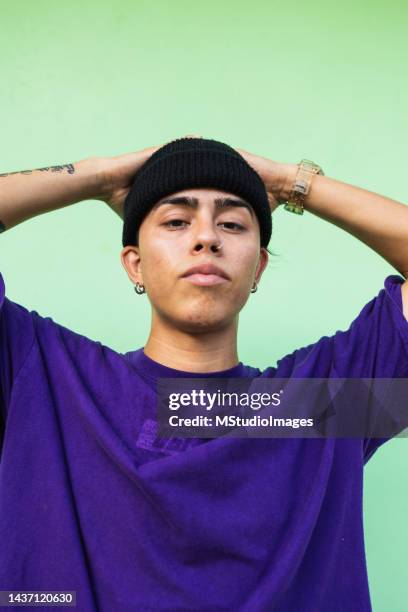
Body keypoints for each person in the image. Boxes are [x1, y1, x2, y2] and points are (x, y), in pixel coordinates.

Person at [0, 135, 407, 611]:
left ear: (258, 268)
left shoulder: (325, 405)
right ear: (135, 265)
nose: (206, 237)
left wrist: (290, 182)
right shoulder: (45, 378)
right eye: (176, 220)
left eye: (232, 223)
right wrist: (100, 177)